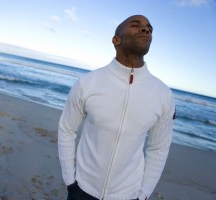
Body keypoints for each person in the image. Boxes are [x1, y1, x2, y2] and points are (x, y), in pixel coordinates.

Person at [58, 15, 175, 200]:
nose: (146, 30)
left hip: (128, 195)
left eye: (149, 28)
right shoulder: (87, 83)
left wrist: (143, 194)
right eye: (136, 25)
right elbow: (67, 129)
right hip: (82, 189)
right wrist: (70, 180)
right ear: (116, 39)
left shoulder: (163, 95)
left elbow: (158, 148)